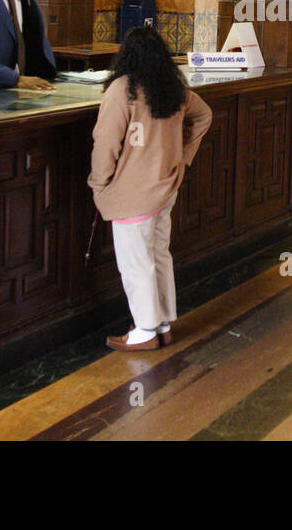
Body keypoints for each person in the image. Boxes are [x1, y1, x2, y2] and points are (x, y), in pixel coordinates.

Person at [89, 26, 213, 351]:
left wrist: (99, 184)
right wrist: (184, 158)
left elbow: (106, 144)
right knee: (158, 254)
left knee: (135, 262)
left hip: (133, 194)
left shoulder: (122, 90)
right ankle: (163, 322)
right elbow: (205, 116)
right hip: (166, 188)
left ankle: (144, 330)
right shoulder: (174, 89)